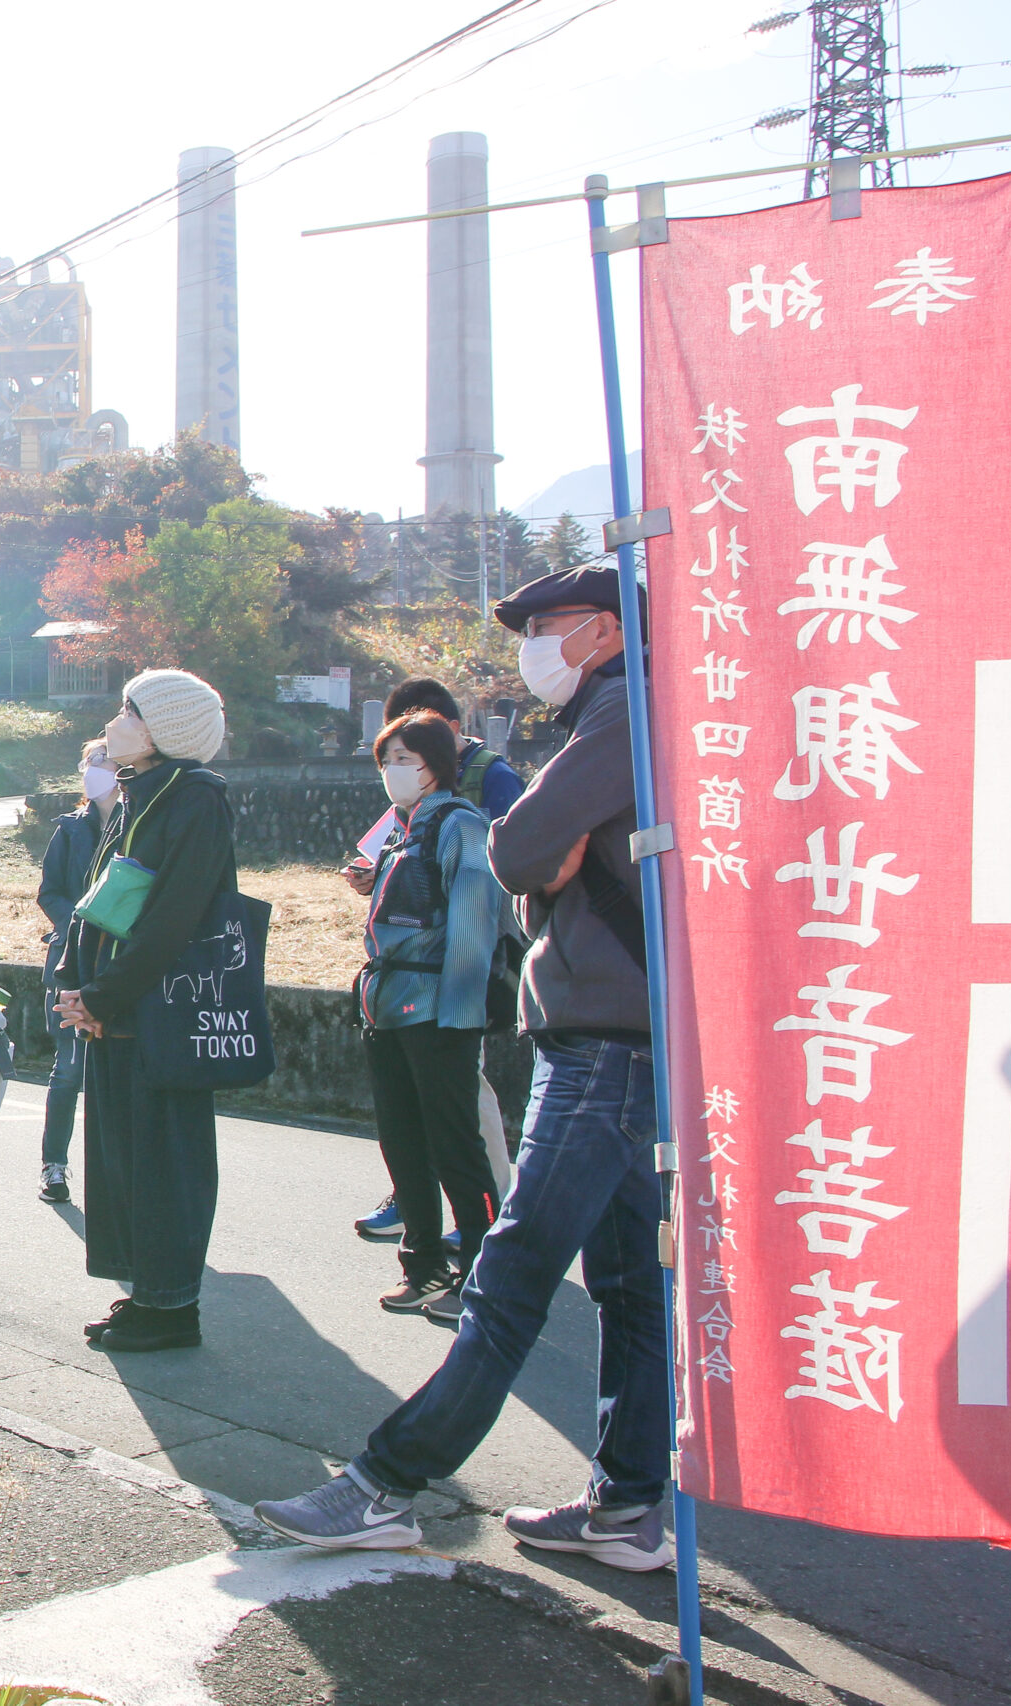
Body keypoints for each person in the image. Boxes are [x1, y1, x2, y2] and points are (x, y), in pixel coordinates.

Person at [256, 565, 675, 1574]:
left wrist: (544, 854)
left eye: (548, 626)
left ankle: (385, 1481)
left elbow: (520, 844)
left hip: (602, 1037)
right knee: (624, 1281)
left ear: (604, 630)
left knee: (512, 1271)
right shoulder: (643, 709)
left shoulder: (622, 710)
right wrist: (546, 859)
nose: (532, 645)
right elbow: (538, 854)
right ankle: (626, 1505)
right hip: (634, 1030)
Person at [52, 669, 238, 1355]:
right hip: (118, 1011)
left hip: (159, 1010)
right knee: (125, 1158)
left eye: (129, 711)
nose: (114, 721)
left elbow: (173, 917)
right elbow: (97, 897)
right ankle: (144, 1291)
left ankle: (172, 1305)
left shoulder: (196, 800)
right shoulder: (140, 793)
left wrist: (103, 996)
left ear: (163, 730)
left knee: (166, 1160)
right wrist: (79, 985)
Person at [351, 676, 524, 1242]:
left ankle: (478, 1256)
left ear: (435, 763)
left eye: (405, 758)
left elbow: (473, 935)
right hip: (389, 1009)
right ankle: (420, 1259)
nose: (393, 770)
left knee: (454, 1142)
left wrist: (459, 1021)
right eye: (387, 760)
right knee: (400, 1139)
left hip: (438, 1013)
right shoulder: (401, 834)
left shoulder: (461, 827)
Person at [32, 738, 115, 1205]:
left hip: (120, 965)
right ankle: (54, 1165)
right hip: (71, 963)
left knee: (116, 1076)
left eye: (103, 761)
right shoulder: (69, 830)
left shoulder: (134, 825)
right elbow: (49, 892)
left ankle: (114, 1171)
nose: (94, 769)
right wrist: (83, 923)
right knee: (68, 1071)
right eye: (88, 762)